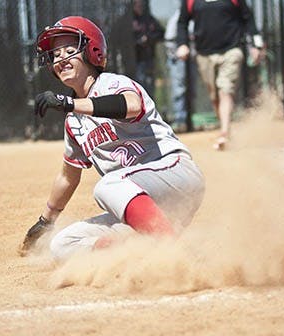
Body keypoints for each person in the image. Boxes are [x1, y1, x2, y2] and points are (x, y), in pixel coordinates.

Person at [18, 16, 205, 260]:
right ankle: (134, 252)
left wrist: (69, 103)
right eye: (55, 54)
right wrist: (46, 222)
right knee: (63, 244)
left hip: (174, 176)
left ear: (92, 52)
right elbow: (67, 176)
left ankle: (175, 252)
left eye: (69, 51)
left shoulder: (112, 83)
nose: (60, 58)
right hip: (143, 204)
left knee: (107, 185)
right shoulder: (74, 122)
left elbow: (131, 105)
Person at [176, 0, 263, 150]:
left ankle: (224, 132)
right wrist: (182, 44)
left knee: (225, 89)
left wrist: (257, 45)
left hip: (231, 50)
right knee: (214, 96)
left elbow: (248, 18)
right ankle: (225, 127)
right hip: (204, 54)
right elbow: (182, 22)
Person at [164, 4, 195, 133]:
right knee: (179, 90)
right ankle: (180, 120)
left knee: (191, 90)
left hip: (191, 58)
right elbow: (169, 39)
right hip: (178, 59)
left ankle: (188, 118)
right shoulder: (177, 17)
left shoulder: (194, 16)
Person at [132, 0, 165, 97]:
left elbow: (161, 33)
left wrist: (148, 38)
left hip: (149, 58)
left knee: (150, 85)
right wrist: (138, 41)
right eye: (136, 3)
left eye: (141, 3)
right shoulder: (128, 20)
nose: (139, 5)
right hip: (135, 60)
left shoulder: (149, 19)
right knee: (139, 85)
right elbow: (122, 38)